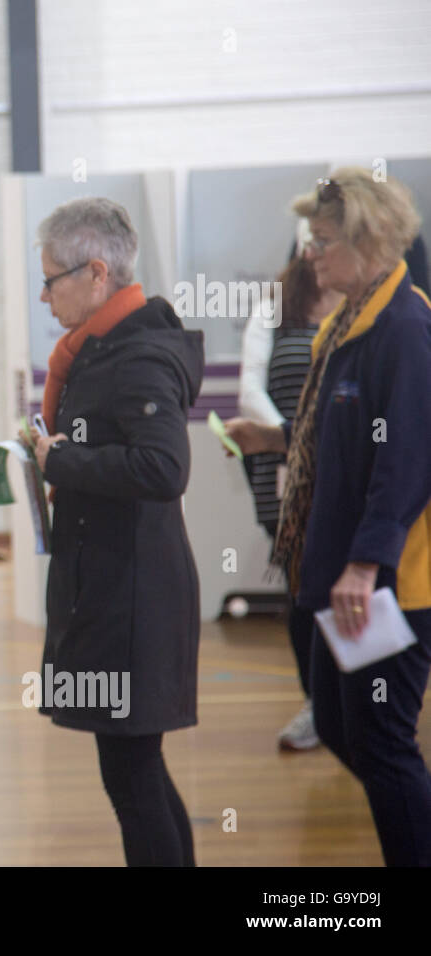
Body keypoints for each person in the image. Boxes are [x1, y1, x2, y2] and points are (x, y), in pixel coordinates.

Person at [225, 168, 431, 866]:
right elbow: (343, 440)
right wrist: (280, 439)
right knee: (344, 730)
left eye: (322, 242)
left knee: (380, 740)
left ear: (367, 241)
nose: (309, 255)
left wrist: (366, 564)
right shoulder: (345, 325)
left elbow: (405, 461)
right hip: (336, 574)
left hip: (383, 584)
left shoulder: (405, 329)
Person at [30, 197, 203, 866]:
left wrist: (61, 459)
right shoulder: (102, 350)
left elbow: (163, 467)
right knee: (139, 772)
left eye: (51, 280)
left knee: (131, 777)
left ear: (95, 272)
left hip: (135, 598)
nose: (44, 298)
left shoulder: (137, 355)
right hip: (116, 587)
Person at [237, 227, 342, 751]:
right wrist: (293, 440)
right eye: (311, 247)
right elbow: (250, 387)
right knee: (301, 593)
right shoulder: (273, 308)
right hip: (283, 475)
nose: (316, 257)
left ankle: (357, 702)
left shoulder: (364, 309)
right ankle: (317, 705)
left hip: (346, 473)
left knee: (350, 589)